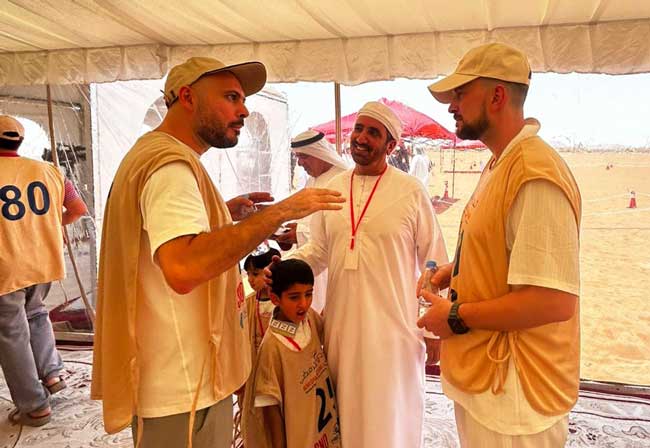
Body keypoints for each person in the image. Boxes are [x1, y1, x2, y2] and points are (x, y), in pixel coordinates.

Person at [91, 57, 344, 448]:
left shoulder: (156, 154)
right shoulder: (170, 168)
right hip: (184, 384)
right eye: (230, 97)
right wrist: (283, 210)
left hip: (176, 381)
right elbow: (184, 267)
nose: (243, 110)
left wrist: (221, 213)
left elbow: (160, 241)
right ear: (188, 97)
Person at [418, 42, 582, 447]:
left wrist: (454, 317)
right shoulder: (501, 162)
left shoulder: (533, 173)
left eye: (460, 94)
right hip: (491, 382)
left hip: (516, 395)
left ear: (496, 96)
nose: (451, 106)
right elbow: (501, 247)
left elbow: (552, 301)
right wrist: (455, 269)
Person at [289, 101, 448, 447]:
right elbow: (317, 251)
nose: (361, 138)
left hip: (395, 333)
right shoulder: (332, 190)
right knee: (341, 414)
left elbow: (434, 260)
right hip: (342, 330)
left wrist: (432, 325)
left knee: (391, 416)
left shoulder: (410, 191)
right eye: (359, 129)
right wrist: (286, 269)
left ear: (391, 146)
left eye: (373, 133)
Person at [0, 115, 88, 427]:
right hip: (42, 261)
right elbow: (78, 210)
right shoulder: (48, 170)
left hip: (6, 266)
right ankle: (51, 374)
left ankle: (34, 406)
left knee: (11, 332)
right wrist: (49, 226)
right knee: (36, 314)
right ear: (19, 141)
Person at [242, 259, 341, 448]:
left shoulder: (309, 319)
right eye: (294, 297)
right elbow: (270, 406)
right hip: (299, 435)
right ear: (275, 299)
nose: (303, 303)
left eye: (309, 294)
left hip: (325, 430)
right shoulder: (272, 347)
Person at [272, 130, 349, 311]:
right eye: (298, 157)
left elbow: (338, 230)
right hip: (309, 261)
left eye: (304, 157)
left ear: (318, 154)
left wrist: (298, 233)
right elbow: (309, 221)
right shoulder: (313, 181)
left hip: (328, 267)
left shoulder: (342, 181)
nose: (299, 163)